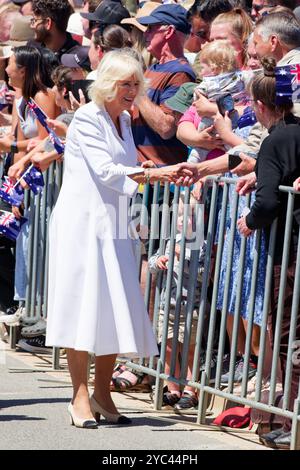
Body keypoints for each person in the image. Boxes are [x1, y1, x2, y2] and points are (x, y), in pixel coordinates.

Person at [45, 49, 194, 428]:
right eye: (125, 84)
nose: (132, 90)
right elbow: (108, 170)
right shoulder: (87, 117)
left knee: (113, 306)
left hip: (114, 222)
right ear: (108, 84)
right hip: (82, 224)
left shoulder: (125, 120)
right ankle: (78, 395)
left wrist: (144, 170)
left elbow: (122, 169)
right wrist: (153, 175)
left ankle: (102, 393)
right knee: (83, 307)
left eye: (136, 84)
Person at [237, 57, 300, 450]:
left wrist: (249, 221)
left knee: (287, 337)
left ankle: (293, 421)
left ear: (261, 106)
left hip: (289, 252)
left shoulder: (275, 140)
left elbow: (266, 202)